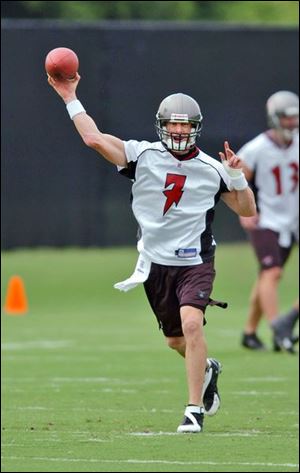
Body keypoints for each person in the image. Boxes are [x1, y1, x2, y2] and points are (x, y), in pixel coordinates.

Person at [48, 73, 256, 433]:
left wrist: (237, 178)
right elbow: (93, 138)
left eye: (184, 125)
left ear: (196, 129)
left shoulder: (211, 169)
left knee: (192, 323)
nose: (178, 132)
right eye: (172, 124)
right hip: (156, 264)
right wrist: (70, 96)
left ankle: (194, 410)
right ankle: (207, 369)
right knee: (175, 339)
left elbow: (247, 210)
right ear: (162, 126)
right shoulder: (142, 155)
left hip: (196, 261)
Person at [238, 91, 299, 353]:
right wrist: (244, 211)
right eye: (287, 118)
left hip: (293, 218)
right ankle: (279, 328)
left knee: (266, 276)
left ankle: (250, 332)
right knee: (273, 273)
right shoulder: (257, 148)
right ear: (275, 118)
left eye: (295, 117)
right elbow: (236, 179)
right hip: (266, 219)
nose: (292, 123)